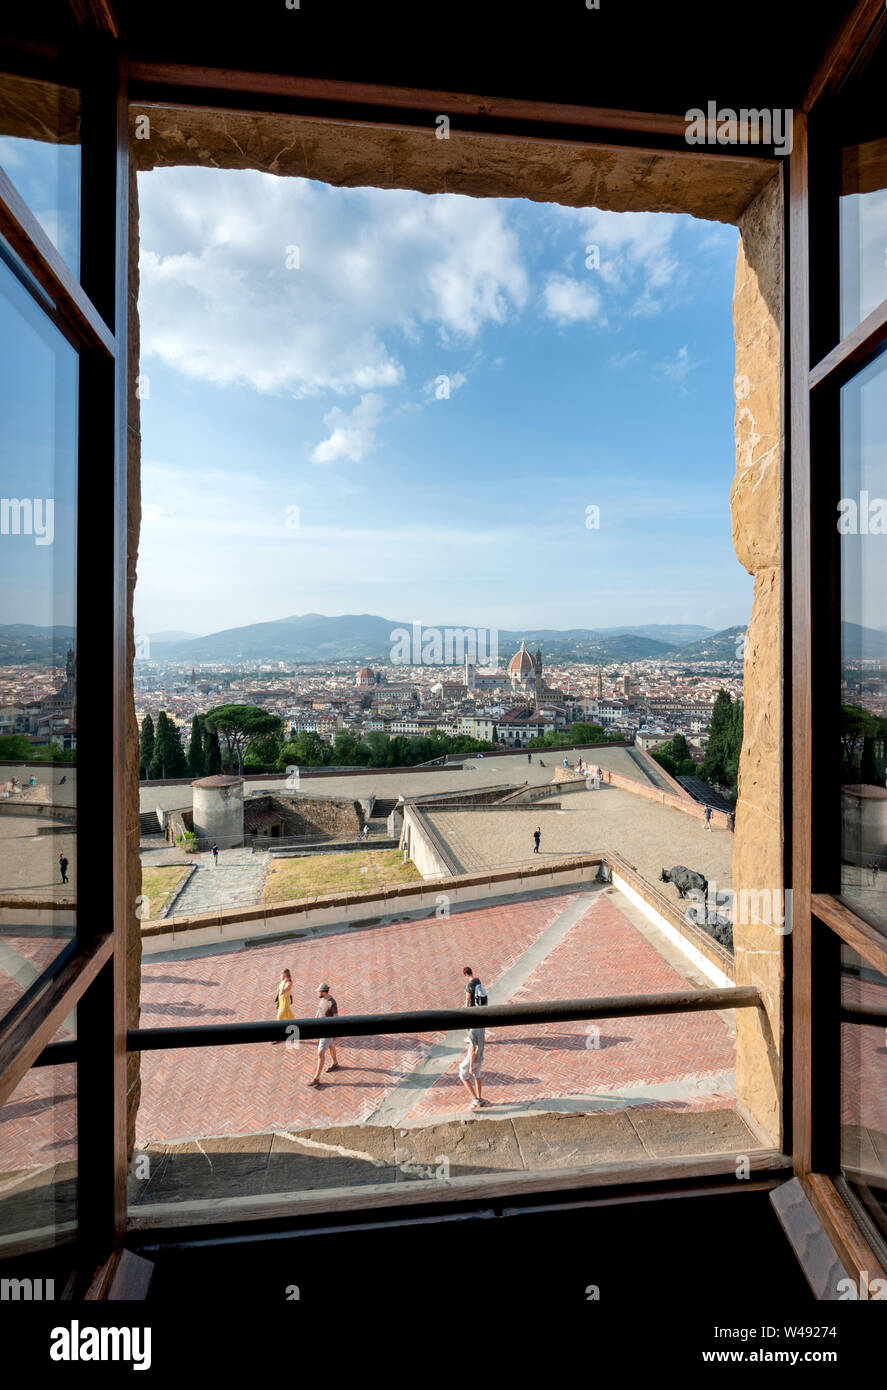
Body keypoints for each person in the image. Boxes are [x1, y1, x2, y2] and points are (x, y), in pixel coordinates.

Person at [307, 983, 339, 1085]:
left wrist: (335, 1033)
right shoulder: (322, 999)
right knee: (330, 1046)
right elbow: (319, 1010)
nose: (317, 993)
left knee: (320, 1053)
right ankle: (335, 1063)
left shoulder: (332, 1003)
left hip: (327, 1031)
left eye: (319, 991)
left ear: (323, 992)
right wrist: (315, 1020)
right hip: (321, 1029)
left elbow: (336, 1019)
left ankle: (316, 1079)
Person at [459, 1020, 486, 1110]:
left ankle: (475, 1099)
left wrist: (470, 1066)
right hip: (480, 1057)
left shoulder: (472, 1032)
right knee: (477, 1076)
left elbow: (472, 1051)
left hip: (472, 1059)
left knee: (463, 1075)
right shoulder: (481, 1027)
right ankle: (479, 1098)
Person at [273, 968, 294, 1043]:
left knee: (279, 1019)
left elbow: (281, 992)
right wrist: (282, 983)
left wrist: (284, 982)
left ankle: (277, 1037)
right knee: (289, 1017)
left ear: (285, 976)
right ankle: (293, 1034)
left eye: (282, 975)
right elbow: (278, 991)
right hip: (282, 1002)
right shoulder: (283, 982)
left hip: (285, 1003)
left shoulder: (288, 983)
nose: (280, 976)